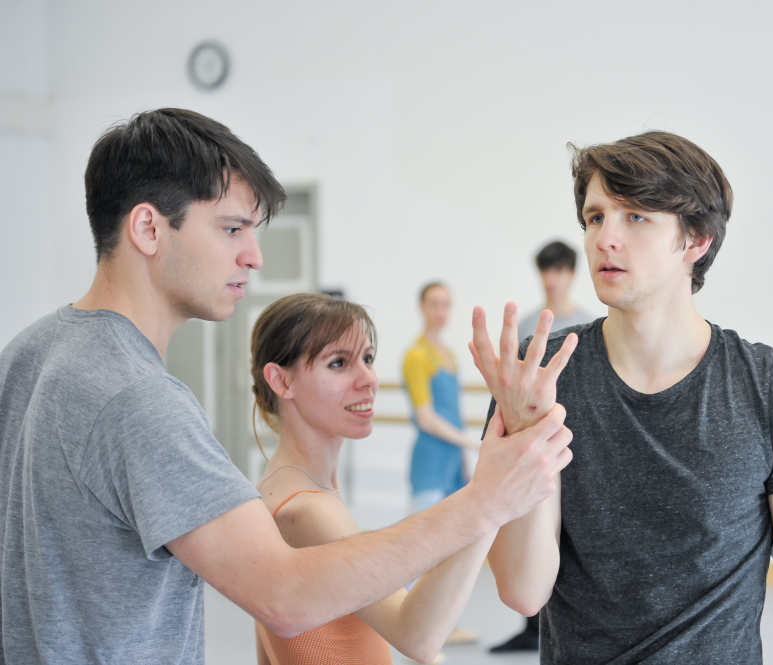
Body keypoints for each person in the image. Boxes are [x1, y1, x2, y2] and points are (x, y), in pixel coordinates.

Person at [0, 108, 572, 664]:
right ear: (149, 227)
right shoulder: (139, 399)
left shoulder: (28, 352)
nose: (253, 257)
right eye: (231, 229)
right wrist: (484, 500)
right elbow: (284, 594)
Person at [471, 132, 773, 664]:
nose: (605, 239)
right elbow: (522, 590)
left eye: (636, 217)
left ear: (696, 240)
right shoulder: (539, 376)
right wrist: (525, 435)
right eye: (595, 218)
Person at [250, 293, 496, 664]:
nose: (368, 379)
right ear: (281, 381)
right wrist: (491, 497)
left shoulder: (279, 489)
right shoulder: (307, 510)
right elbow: (418, 636)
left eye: (367, 359)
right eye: (338, 363)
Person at [491, 240, 593, 654]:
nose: (552, 279)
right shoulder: (530, 324)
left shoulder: (591, 324)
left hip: (576, 442)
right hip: (535, 445)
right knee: (528, 532)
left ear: (570, 274)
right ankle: (531, 628)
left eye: (559, 271)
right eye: (546, 271)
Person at [404, 283, 481, 514]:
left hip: (454, 463)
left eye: (445, 305)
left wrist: (464, 460)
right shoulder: (416, 356)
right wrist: (470, 443)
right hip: (431, 462)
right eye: (434, 304)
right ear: (422, 308)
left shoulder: (449, 355)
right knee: (423, 544)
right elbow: (425, 418)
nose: (440, 311)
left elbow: (455, 414)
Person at [516, 241, 594, 344]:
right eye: (545, 269)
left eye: (558, 269)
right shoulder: (524, 326)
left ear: (572, 274)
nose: (550, 279)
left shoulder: (591, 327)